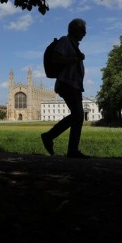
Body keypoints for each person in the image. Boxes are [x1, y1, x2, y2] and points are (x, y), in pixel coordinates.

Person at [41, 18, 89, 159]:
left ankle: (70, 149)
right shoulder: (65, 41)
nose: (85, 33)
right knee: (78, 115)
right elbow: (56, 58)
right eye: (83, 30)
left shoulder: (73, 45)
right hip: (67, 84)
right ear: (76, 30)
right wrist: (75, 59)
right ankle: (50, 137)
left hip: (74, 85)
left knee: (78, 116)